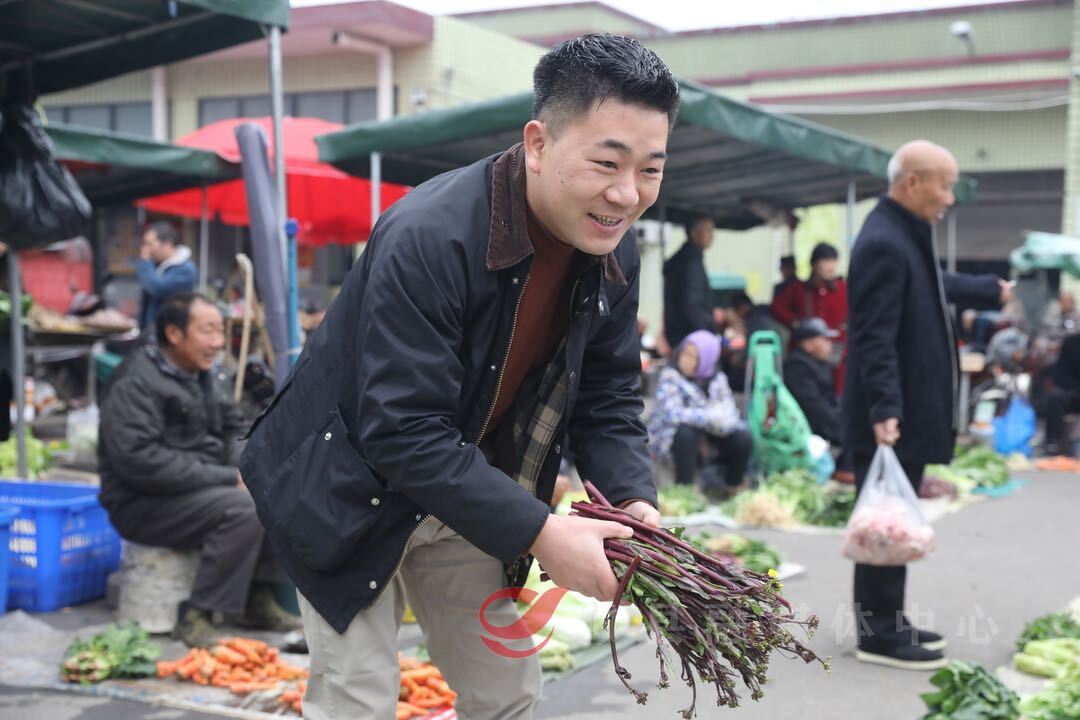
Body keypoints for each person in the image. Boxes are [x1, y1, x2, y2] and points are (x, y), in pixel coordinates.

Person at [238, 34, 677, 720]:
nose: (627, 195)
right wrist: (542, 532)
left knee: (509, 692)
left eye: (651, 170)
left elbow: (609, 400)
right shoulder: (430, 235)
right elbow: (400, 429)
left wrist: (632, 501)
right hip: (343, 487)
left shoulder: (611, 255)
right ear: (537, 143)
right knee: (357, 699)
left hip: (462, 486)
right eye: (606, 163)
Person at [843, 139, 1006, 671]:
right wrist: (886, 408)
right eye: (944, 184)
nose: (949, 197)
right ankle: (877, 634)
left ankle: (891, 618)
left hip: (898, 407)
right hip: (889, 412)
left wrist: (993, 290)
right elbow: (873, 336)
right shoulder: (885, 242)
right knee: (884, 520)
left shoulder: (902, 235)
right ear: (912, 182)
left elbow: (936, 285)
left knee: (896, 513)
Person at [98, 293, 298, 647]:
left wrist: (246, 468)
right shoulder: (135, 381)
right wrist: (225, 478)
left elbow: (235, 428)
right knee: (243, 509)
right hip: (143, 501)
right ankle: (199, 613)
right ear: (174, 334)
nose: (218, 343)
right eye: (208, 331)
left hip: (198, 489)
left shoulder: (206, 374)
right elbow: (138, 460)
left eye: (220, 331)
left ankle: (256, 599)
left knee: (273, 487)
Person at [647, 330, 751, 493]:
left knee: (742, 436)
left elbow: (729, 415)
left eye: (694, 357)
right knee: (685, 434)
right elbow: (672, 414)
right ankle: (685, 490)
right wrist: (708, 416)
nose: (686, 361)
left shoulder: (718, 379)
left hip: (711, 434)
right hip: (671, 437)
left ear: (707, 360)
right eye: (685, 354)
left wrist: (715, 421)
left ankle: (732, 487)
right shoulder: (670, 376)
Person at [771, 242, 848, 392]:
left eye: (834, 261)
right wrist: (795, 323)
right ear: (814, 265)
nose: (831, 266)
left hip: (836, 353)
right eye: (826, 261)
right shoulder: (799, 289)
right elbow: (776, 307)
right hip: (806, 354)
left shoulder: (843, 289)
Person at [784, 317, 842, 446]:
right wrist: (841, 428)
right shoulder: (796, 366)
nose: (830, 344)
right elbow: (814, 405)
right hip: (811, 432)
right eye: (824, 339)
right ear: (808, 344)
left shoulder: (819, 362)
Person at [663, 214, 715, 347]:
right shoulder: (691, 261)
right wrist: (706, 333)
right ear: (694, 233)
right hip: (691, 337)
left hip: (678, 333)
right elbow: (691, 302)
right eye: (708, 230)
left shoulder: (683, 257)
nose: (712, 236)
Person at [136, 221, 197, 333]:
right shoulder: (158, 265)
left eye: (149, 244)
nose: (146, 250)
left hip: (169, 334)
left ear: (167, 244)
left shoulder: (184, 269)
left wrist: (145, 263)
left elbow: (157, 288)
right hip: (153, 332)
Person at [1043, 333, 1080, 456]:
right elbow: (1060, 373)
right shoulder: (1071, 342)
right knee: (1055, 397)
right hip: (1072, 391)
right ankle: (1052, 443)